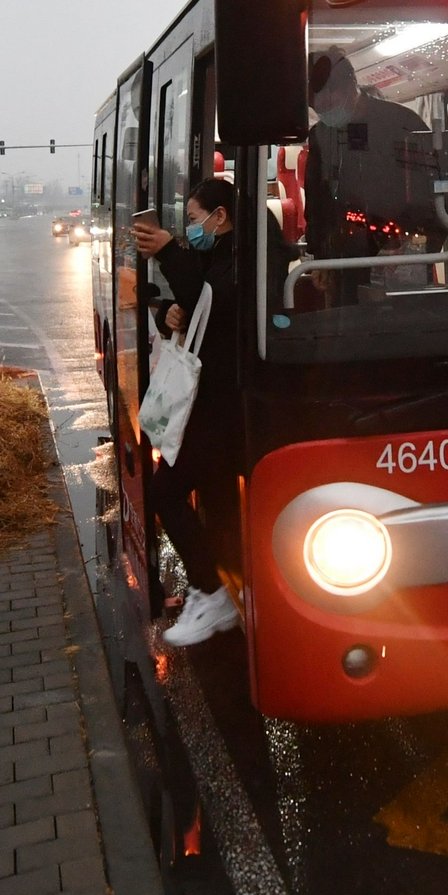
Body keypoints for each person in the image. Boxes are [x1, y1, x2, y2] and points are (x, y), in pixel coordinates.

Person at [132, 178, 291, 647]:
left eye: (196, 219)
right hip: (214, 400)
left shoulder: (254, 251)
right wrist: (168, 316)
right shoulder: (216, 249)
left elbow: (216, 301)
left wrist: (168, 252)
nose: (192, 229)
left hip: (229, 402)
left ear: (220, 216)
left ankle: (211, 591)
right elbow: (190, 301)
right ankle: (226, 583)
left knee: (165, 493)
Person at [303, 51, 430, 304]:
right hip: (344, 252)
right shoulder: (321, 136)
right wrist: (319, 256)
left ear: (352, 86)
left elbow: (429, 191)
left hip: (399, 254)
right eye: (316, 103)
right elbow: (316, 199)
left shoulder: (402, 124)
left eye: (329, 97)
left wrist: (409, 242)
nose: (323, 105)